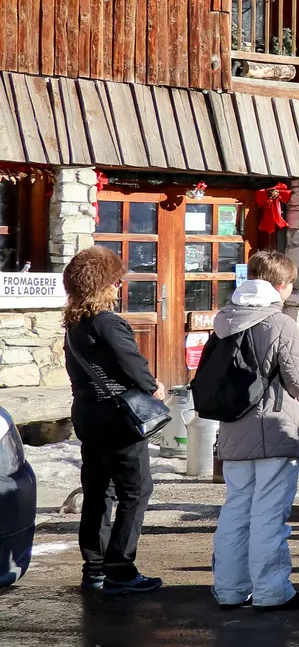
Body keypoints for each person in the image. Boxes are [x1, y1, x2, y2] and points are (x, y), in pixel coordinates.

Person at [208, 251, 299, 611]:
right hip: (274, 430)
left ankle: (229, 589)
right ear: (280, 286)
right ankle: (270, 592)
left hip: (233, 431)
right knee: (269, 515)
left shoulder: (224, 320)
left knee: (236, 511)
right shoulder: (279, 323)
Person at [62, 246, 164, 596]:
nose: (120, 286)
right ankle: (121, 568)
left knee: (97, 491)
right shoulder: (108, 322)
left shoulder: (75, 324)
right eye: (116, 281)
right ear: (105, 284)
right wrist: (154, 388)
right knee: (136, 491)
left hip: (88, 414)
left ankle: (94, 569)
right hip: (118, 418)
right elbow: (133, 366)